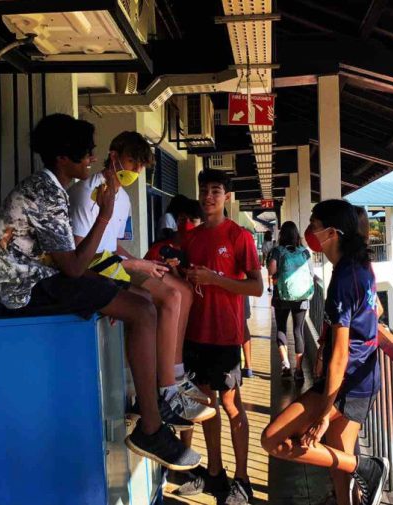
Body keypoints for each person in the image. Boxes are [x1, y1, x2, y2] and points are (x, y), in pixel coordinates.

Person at [0, 113, 200, 471]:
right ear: (63, 157)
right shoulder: (48, 192)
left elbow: (76, 263)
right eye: (85, 153)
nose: (91, 158)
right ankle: (150, 426)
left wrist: (109, 290)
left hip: (44, 279)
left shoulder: (50, 187)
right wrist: (104, 214)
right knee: (143, 311)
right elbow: (73, 267)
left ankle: (150, 404)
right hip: (28, 290)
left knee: (138, 303)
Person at [68, 132, 214, 426]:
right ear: (114, 155)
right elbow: (83, 250)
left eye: (140, 165)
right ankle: (166, 390)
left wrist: (145, 263)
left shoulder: (122, 198)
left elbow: (115, 245)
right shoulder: (87, 192)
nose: (135, 170)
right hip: (96, 266)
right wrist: (133, 266)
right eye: (132, 160)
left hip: (114, 262)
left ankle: (176, 373)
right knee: (169, 297)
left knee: (183, 289)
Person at [261, 199, 389, 505]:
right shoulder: (360, 267)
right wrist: (325, 345)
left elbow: (341, 355)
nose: (310, 232)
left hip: (345, 383)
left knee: (273, 439)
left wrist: (322, 414)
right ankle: (356, 483)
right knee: (338, 462)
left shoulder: (344, 279)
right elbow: (377, 309)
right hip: (364, 378)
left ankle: (368, 467)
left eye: (315, 226)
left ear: (332, 232)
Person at [176, 169, 263, 504]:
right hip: (194, 334)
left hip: (225, 335)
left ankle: (243, 479)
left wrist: (215, 279)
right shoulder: (192, 238)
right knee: (203, 406)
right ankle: (214, 473)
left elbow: (257, 286)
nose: (208, 196)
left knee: (230, 405)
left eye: (215, 190)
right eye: (204, 190)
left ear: (226, 196)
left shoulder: (239, 236)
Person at [267, 221, 314, 382]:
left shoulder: (277, 251)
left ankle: (286, 364)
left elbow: (272, 270)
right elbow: (311, 274)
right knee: (297, 331)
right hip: (301, 297)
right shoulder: (305, 252)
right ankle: (299, 369)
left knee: (281, 328)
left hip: (281, 296)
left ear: (281, 235)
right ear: (296, 235)